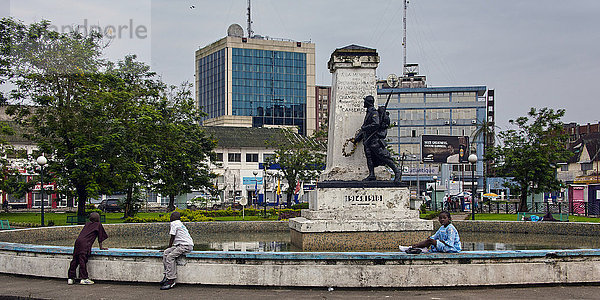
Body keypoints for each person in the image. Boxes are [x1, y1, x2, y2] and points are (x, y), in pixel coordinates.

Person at [352, 95, 401, 182]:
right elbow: (365, 129)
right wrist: (358, 138)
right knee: (369, 157)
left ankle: (397, 171)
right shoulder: (369, 112)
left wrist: (365, 128)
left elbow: (376, 124)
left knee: (383, 156)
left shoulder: (373, 112)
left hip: (375, 140)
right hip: (368, 140)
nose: (363, 103)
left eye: (364, 101)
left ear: (367, 103)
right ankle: (372, 175)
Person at [67, 212, 108, 285]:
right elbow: (100, 237)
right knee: (82, 260)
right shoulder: (98, 225)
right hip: (85, 244)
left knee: (75, 260)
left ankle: (70, 278)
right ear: (98, 219)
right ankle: (84, 278)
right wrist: (101, 247)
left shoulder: (87, 224)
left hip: (78, 242)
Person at [160, 211, 194, 290]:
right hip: (182, 245)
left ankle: (171, 280)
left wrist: (169, 247)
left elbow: (172, 237)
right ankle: (167, 275)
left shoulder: (174, 223)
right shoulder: (179, 223)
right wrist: (168, 249)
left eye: (171, 216)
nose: (170, 217)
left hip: (185, 246)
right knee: (166, 253)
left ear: (174, 217)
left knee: (170, 257)